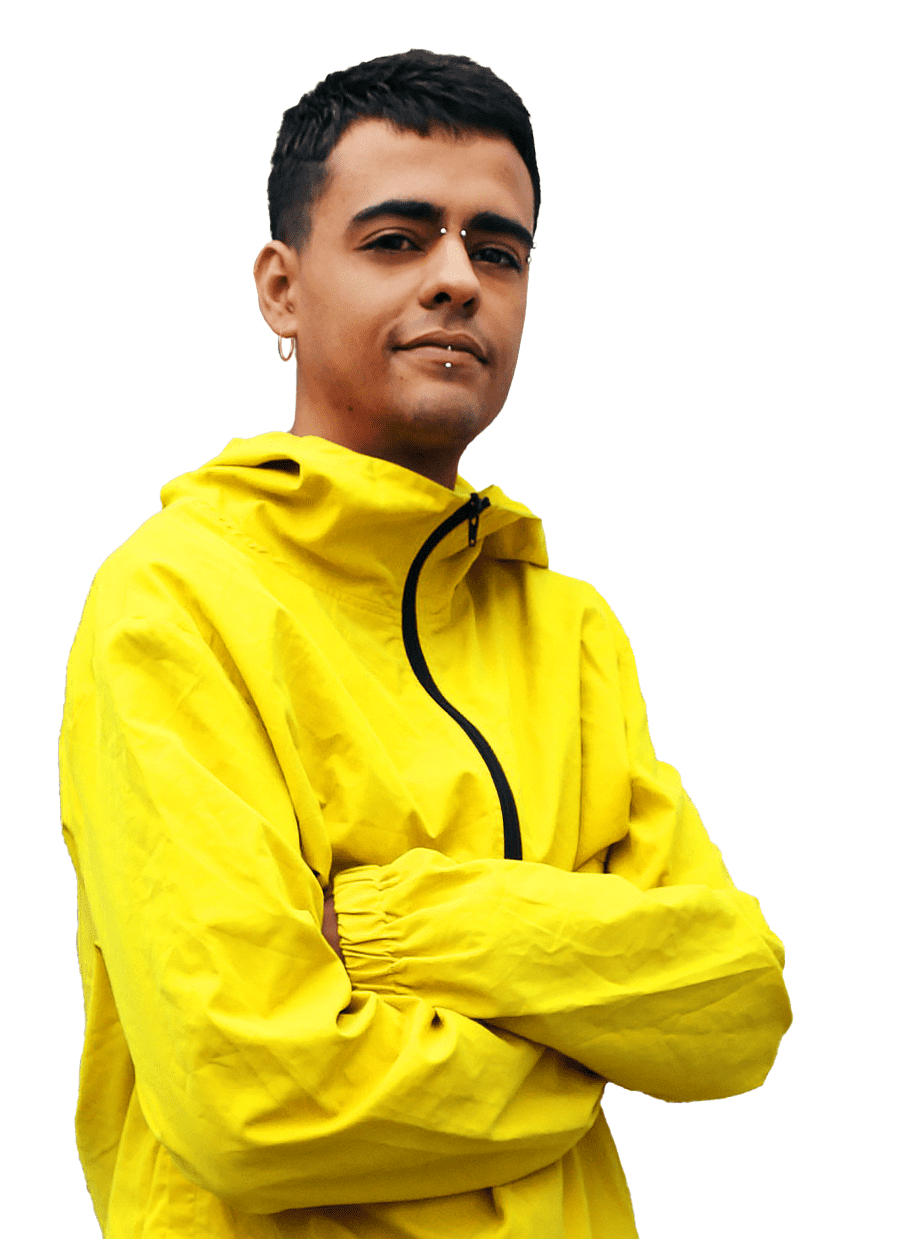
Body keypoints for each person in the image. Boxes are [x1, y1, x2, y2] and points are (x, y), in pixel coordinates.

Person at [59, 48, 791, 1239]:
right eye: (398, 240)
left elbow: (734, 1001)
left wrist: (395, 927)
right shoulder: (175, 601)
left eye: (498, 251)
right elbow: (258, 1096)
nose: (457, 279)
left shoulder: (569, 632)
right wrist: (585, 1048)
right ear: (282, 289)